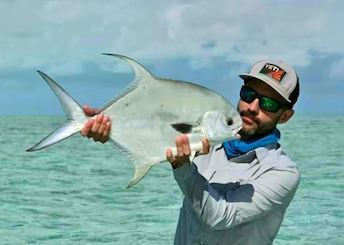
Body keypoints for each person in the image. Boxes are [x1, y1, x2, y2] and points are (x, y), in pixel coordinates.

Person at [81, 59, 300, 245]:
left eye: (269, 104)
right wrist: (111, 122)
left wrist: (182, 166)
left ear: (285, 116)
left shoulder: (282, 173)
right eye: (248, 93)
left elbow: (220, 217)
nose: (252, 106)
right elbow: (161, 123)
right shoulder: (209, 141)